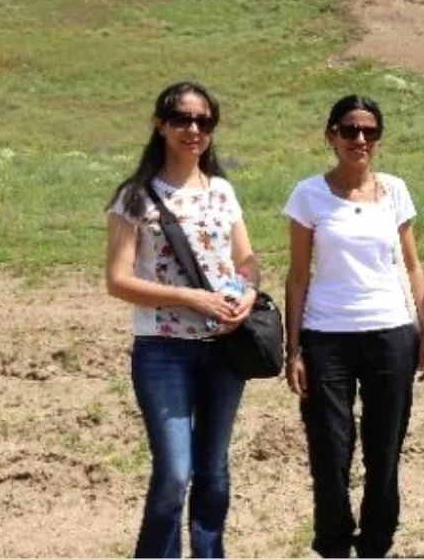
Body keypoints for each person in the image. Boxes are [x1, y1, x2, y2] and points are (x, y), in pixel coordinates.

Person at [105, 81, 260, 559]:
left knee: (212, 468)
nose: (193, 129)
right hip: (163, 350)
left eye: (204, 121)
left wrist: (246, 297)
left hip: (223, 347)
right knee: (175, 471)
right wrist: (189, 297)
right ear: (160, 125)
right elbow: (117, 280)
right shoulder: (134, 196)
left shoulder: (222, 191)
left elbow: (246, 261)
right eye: (182, 119)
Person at [283, 94, 424, 559]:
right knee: (330, 452)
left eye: (369, 131)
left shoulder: (395, 190)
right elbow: (297, 275)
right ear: (331, 136)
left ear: (379, 139)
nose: (359, 139)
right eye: (349, 130)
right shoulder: (308, 194)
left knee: (384, 449)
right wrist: (293, 350)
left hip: (391, 333)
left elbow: (413, 266)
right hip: (326, 336)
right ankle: (333, 546)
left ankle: (375, 544)